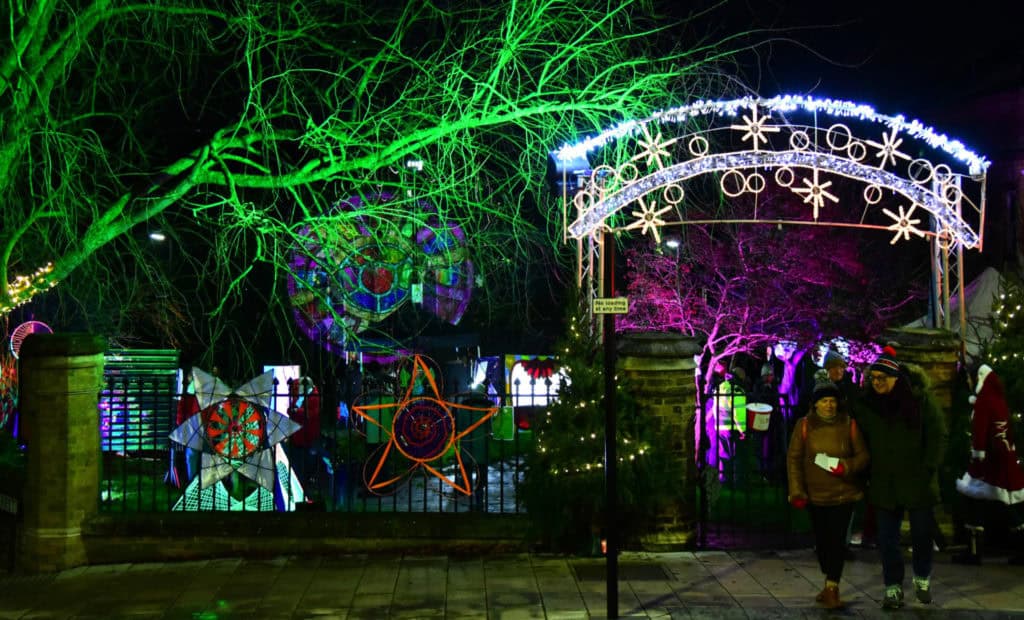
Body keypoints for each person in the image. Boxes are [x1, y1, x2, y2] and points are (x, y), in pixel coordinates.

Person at [853, 346, 947, 610]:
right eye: (873, 378)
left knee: (921, 534)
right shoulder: (867, 405)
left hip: (917, 478)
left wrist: (929, 467)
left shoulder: (918, 401)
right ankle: (892, 587)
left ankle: (922, 578)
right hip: (885, 480)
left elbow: (937, 435)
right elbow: (861, 438)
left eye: (882, 378)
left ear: (896, 378)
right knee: (887, 539)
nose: (877, 383)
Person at [787, 379, 869, 609]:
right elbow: (793, 459)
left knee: (837, 541)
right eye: (824, 401)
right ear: (815, 405)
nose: (829, 406)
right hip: (815, 494)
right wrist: (796, 489)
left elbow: (862, 456)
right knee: (823, 542)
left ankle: (832, 586)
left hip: (843, 494)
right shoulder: (804, 426)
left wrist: (845, 466)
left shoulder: (849, 425)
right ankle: (828, 579)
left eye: (832, 401)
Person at [953, 364, 1024, 564]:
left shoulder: (984, 402)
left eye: (969, 377)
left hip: (988, 463)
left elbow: (980, 431)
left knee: (975, 500)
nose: (968, 381)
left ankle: (974, 552)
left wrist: (978, 455)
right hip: (1004, 459)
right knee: (1007, 503)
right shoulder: (999, 400)